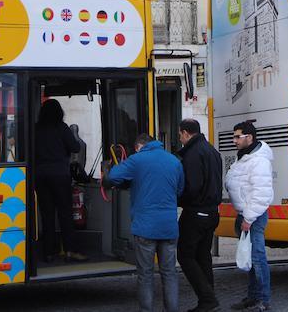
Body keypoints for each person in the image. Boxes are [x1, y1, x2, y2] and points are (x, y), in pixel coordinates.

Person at [105, 132, 185, 312]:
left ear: (139, 146)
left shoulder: (136, 160)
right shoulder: (174, 161)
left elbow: (113, 177)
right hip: (169, 227)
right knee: (170, 272)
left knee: (145, 274)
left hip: (145, 227)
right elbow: (179, 190)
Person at [224, 121, 274, 312]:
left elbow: (261, 194)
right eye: (234, 136)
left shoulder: (258, 160)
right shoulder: (244, 157)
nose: (234, 140)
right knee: (251, 259)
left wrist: (248, 218)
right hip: (245, 214)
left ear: (249, 138)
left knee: (258, 258)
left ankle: (263, 300)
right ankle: (253, 297)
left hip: (253, 216)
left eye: (238, 136)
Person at [176, 118, 223, 312]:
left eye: (179, 135)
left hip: (196, 212)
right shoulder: (212, 150)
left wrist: (180, 200)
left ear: (186, 133)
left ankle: (207, 299)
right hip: (212, 212)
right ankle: (208, 299)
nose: (179, 138)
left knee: (185, 256)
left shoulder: (192, 154)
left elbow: (193, 187)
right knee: (203, 256)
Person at [34, 99, 87, 263]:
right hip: (59, 175)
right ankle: (70, 250)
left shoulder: (36, 128)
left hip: (40, 175)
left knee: (47, 215)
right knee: (65, 213)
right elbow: (75, 147)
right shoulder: (61, 127)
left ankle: (49, 252)